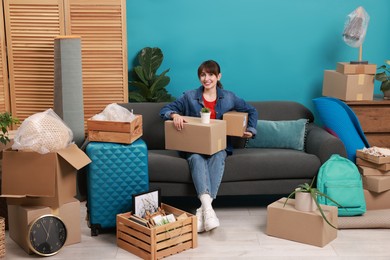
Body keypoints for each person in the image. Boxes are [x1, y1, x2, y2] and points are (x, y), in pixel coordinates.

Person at [160, 60, 258, 232]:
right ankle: (208, 210)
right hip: (194, 146)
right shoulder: (190, 96)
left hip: (219, 146)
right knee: (196, 159)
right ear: (200, 78)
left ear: (218, 76)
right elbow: (165, 110)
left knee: (218, 156)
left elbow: (252, 110)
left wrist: (250, 128)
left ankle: (202, 210)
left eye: (211, 74)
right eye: (203, 75)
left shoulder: (229, 97)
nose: (207, 78)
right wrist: (174, 114)